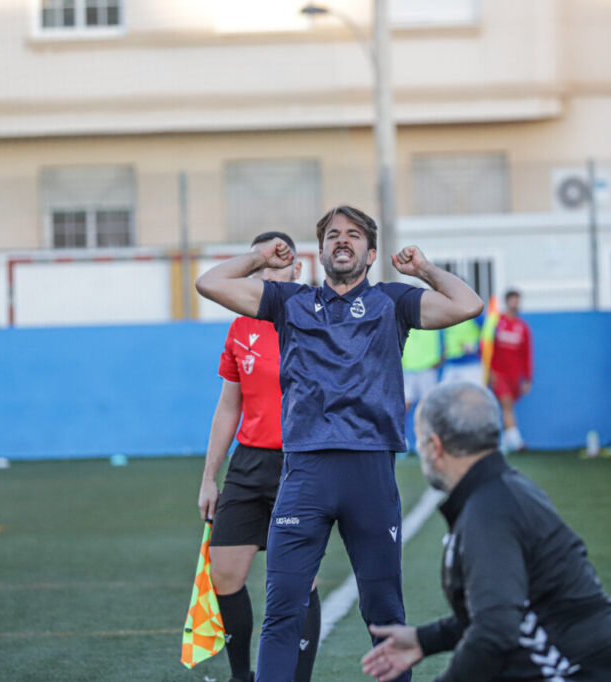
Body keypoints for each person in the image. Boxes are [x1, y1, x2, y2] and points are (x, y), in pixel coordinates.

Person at [196, 205, 483, 682]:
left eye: (353, 235)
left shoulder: (393, 301)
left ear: (370, 254)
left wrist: (425, 270)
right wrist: (259, 258)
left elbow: (468, 304)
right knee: (282, 610)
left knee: (384, 613)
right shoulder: (289, 301)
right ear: (321, 251)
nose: (342, 240)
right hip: (304, 474)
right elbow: (210, 283)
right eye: (332, 235)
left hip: (370, 475)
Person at [361, 382, 611, 682]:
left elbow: (494, 631)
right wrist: (425, 640)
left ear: (435, 446)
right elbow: (505, 609)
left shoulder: (489, 512)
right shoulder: (502, 491)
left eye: (419, 442)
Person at [197, 232, 320, 682]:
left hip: (300, 464)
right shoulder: (240, 327)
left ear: (298, 270)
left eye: (279, 261)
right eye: (261, 264)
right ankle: (241, 677)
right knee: (224, 572)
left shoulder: (317, 316)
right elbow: (229, 406)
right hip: (248, 464)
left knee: (298, 581)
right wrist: (209, 477)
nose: (270, 270)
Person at [485, 289, 533, 452]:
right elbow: (488, 347)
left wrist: (527, 379)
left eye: (518, 301)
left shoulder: (523, 327)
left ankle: (505, 442)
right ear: (507, 302)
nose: (516, 304)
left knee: (508, 406)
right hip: (498, 373)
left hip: (514, 375)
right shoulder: (497, 322)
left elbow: (526, 354)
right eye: (513, 300)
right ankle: (516, 440)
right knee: (506, 404)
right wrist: (490, 371)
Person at [440, 316, 483, 386]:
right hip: (450, 363)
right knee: (445, 391)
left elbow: (488, 332)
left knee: (473, 391)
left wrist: (475, 346)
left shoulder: (474, 313)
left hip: (470, 364)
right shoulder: (447, 314)